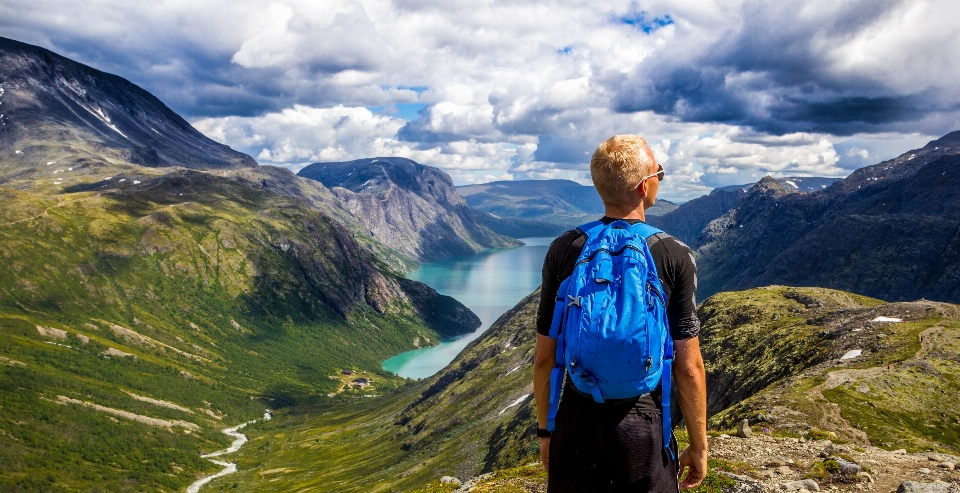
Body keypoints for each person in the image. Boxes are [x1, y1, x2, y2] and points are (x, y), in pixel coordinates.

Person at [533, 135, 708, 492]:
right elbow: (688, 366)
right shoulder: (673, 254)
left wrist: (547, 432)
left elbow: (545, 359)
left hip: (577, 417)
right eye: (660, 172)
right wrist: (699, 446)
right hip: (643, 423)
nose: (660, 178)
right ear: (645, 186)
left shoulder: (565, 249)